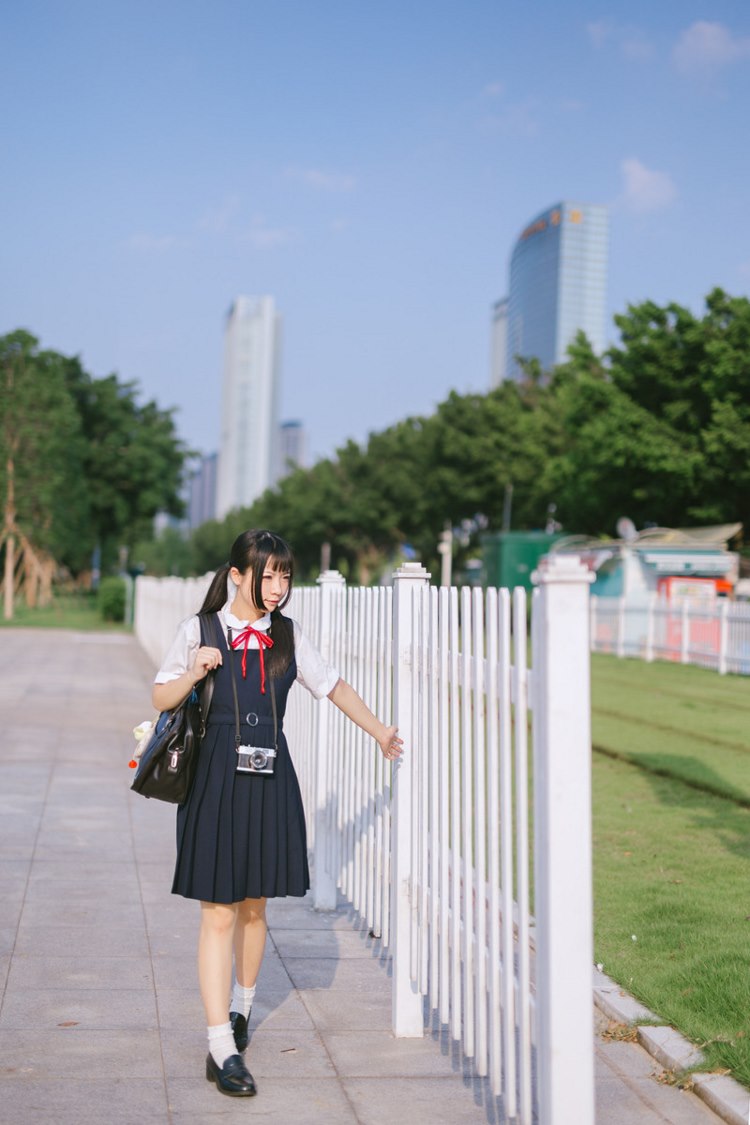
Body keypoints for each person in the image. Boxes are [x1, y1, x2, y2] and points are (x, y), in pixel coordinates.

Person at [152, 529, 403, 1098]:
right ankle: (221, 1046)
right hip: (214, 779)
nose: (277, 586)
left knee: (255, 907)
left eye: (284, 575)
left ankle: (240, 1011)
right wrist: (195, 671)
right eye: (267, 574)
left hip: (269, 778)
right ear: (237, 575)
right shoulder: (199, 629)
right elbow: (160, 697)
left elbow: (332, 686)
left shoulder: (287, 635)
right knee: (217, 911)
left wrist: (381, 732)